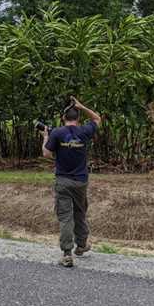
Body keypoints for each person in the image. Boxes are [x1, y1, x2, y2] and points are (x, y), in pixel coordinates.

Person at [41, 96, 102, 268]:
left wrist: (46, 137)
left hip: (63, 181)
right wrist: (82, 106)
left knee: (65, 217)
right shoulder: (84, 131)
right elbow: (97, 118)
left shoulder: (57, 133)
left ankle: (67, 254)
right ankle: (81, 245)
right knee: (80, 213)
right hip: (81, 181)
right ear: (78, 118)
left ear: (63, 118)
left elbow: (46, 153)